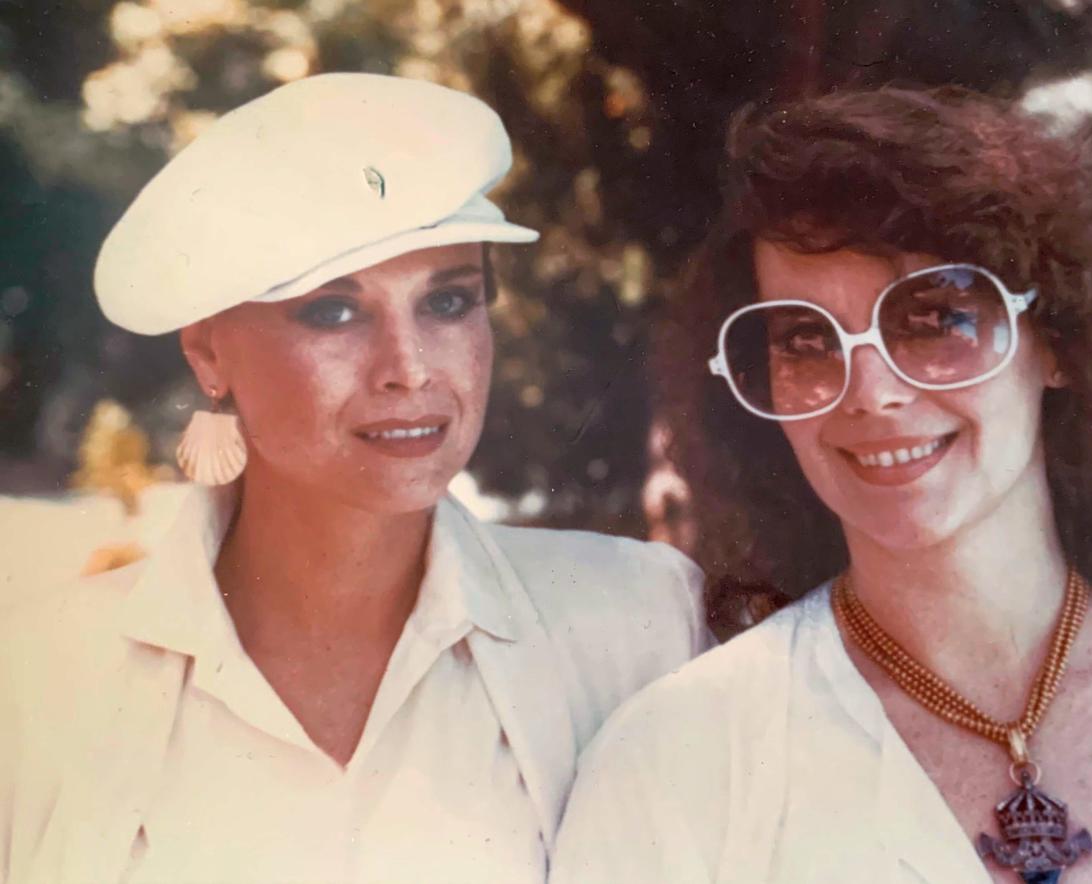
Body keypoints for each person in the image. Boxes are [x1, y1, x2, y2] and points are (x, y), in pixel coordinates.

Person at [0, 74, 710, 884]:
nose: (408, 370)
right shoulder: (33, 684)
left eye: (447, 303)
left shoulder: (640, 624)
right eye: (334, 313)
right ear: (207, 352)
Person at [551, 87, 1092, 882]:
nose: (869, 391)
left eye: (935, 318)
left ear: (1055, 342)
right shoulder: (679, 763)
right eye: (806, 340)